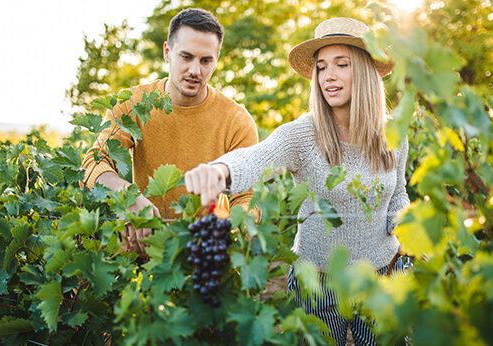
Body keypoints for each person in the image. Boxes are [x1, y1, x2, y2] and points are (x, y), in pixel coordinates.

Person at [184, 17, 410, 345]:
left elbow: (398, 193)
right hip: (315, 282)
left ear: (363, 70)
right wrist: (220, 171)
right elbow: (255, 158)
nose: (328, 76)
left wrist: (409, 228)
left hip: (382, 276)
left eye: (341, 64)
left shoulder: (393, 135)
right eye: (321, 67)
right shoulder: (303, 134)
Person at [81, 8, 258, 255]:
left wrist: (226, 227)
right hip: (139, 254)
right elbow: (93, 164)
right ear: (167, 52)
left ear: (217, 58)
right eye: (186, 57)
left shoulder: (237, 121)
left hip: (205, 258)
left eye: (206, 60)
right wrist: (128, 198)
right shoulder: (133, 104)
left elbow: (246, 197)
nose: (195, 70)